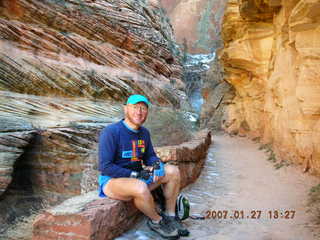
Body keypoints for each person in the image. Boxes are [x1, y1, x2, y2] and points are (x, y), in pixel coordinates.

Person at [98, 94, 189, 239]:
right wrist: (135, 175)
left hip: (138, 177)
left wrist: (157, 164)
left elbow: (149, 156)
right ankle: (157, 221)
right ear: (126, 109)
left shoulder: (144, 133)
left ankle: (170, 216)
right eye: (135, 107)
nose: (139, 112)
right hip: (112, 181)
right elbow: (105, 166)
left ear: (147, 112)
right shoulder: (111, 132)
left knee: (172, 171)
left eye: (143, 108)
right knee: (139, 186)